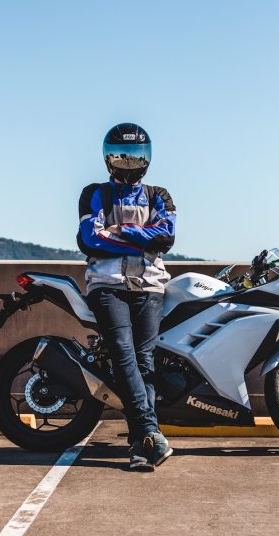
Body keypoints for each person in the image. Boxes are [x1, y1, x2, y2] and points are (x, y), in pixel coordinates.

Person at [76, 123, 176, 470]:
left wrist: (117, 230)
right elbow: (89, 240)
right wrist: (141, 236)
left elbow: (165, 237)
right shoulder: (94, 193)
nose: (130, 163)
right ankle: (150, 431)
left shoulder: (158, 195)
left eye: (137, 156)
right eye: (124, 156)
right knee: (123, 354)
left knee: (145, 360)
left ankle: (140, 446)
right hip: (107, 285)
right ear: (109, 157)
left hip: (148, 285)